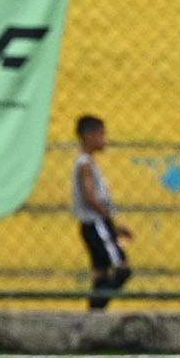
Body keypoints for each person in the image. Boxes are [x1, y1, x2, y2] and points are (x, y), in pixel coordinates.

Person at [73, 115, 132, 310]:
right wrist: (109, 218)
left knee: (101, 274)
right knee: (123, 269)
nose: (104, 139)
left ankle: (93, 319)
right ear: (89, 136)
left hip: (94, 226)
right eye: (101, 134)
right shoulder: (85, 164)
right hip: (97, 224)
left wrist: (113, 225)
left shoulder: (87, 162)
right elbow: (91, 197)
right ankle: (94, 311)